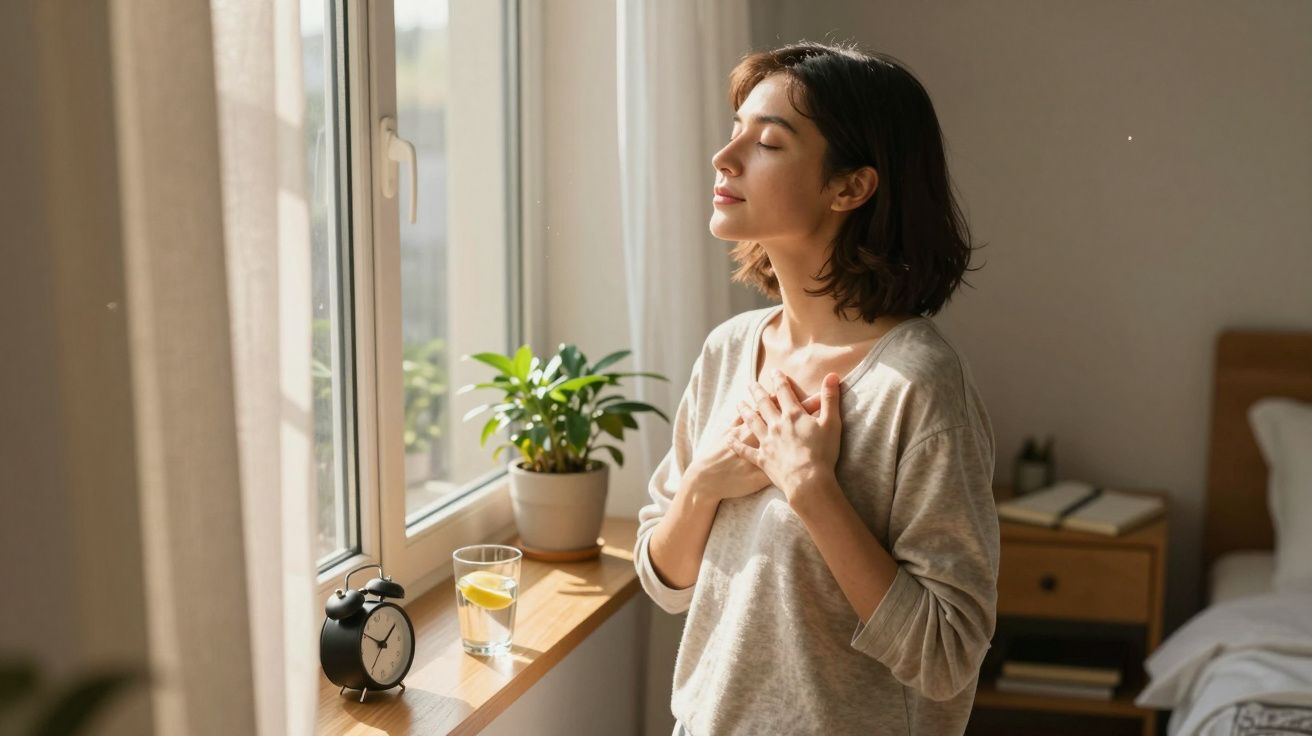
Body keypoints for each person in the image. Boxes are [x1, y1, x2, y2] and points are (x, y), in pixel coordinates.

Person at [633, 41, 999, 736]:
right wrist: (705, 483)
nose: (725, 157)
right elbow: (665, 579)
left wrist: (812, 488)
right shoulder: (729, 350)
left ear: (850, 187)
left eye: (767, 141)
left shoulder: (917, 385)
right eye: (734, 128)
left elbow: (948, 655)